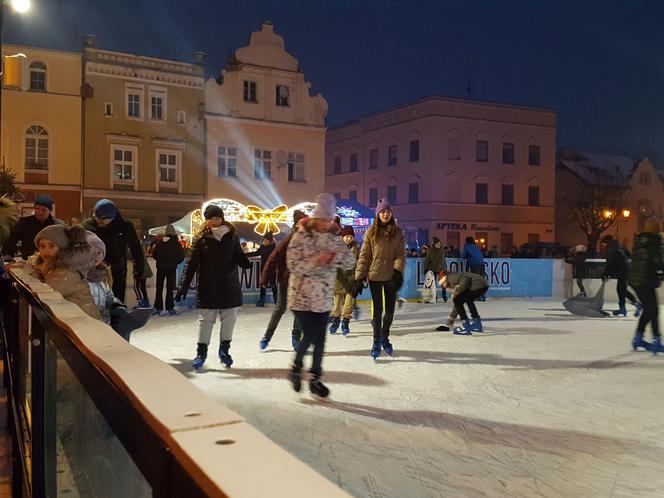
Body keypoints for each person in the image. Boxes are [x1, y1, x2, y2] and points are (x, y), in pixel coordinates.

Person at [286, 193, 355, 397]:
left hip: (324, 297)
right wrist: (316, 261)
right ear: (316, 217)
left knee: (321, 339)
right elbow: (292, 264)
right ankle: (296, 368)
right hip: (301, 297)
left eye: (329, 220)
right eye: (323, 219)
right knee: (310, 336)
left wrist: (332, 257)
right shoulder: (301, 235)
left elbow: (350, 261)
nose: (326, 224)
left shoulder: (334, 237)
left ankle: (315, 378)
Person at [175, 204, 252, 370]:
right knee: (206, 321)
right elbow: (191, 264)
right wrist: (183, 287)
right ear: (207, 220)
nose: (216, 220)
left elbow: (238, 255)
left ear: (222, 218)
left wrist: (245, 261)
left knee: (229, 319)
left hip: (229, 285)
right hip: (208, 286)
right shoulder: (201, 239)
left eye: (218, 217)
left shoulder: (232, 236)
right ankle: (201, 353)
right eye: (212, 218)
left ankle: (224, 351)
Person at [355, 199, 406, 359]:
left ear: (391, 214)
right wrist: (358, 277)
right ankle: (376, 341)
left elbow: (400, 254)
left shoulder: (397, 232)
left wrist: (398, 271)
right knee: (377, 311)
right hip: (375, 275)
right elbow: (364, 256)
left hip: (391, 275)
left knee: (389, 312)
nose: (385, 214)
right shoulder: (371, 232)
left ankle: (385, 336)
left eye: (388, 212)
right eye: (382, 212)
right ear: (378, 214)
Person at [85, 231, 151, 340]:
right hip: (87, 326)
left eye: (99, 252)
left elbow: (108, 295)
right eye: (92, 252)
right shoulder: (80, 276)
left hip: (103, 324)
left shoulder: (103, 275)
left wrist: (116, 305)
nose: (96, 256)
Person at [258, 210, 307, 351]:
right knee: (280, 308)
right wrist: (265, 277)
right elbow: (273, 258)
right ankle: (267, 336)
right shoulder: (289, 239)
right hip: (286, 281)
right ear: (297, 224)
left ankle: (296, 335)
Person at [28, 224, 100, 319]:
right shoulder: (51, 268)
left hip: (82, 323)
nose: (46, 250)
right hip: (73, 320)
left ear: (62, 249)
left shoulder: (66, 272)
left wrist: (31, 273)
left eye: (51, 246)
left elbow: (45, 295)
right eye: (42, 246)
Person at [83, 199, 144, 303]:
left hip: (118, 271)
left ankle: (117, 317)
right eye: (96, 217)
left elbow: (135, 247)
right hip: (95, 271)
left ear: (113, 217)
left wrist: (139, 267)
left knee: (117, 301)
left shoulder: (125, 226)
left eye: (103, 219)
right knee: (97, 301)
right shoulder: (89, 226)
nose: (99, 221)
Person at [628, 220, 664, 353]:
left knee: (650, 309)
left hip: (635, 280)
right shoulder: (654, 241)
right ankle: (656, 340)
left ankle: (638, 338)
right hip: (645, 279)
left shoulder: (640, 241)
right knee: (652, 309)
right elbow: (657, 261)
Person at [2, 194, 63, 260]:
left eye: (43, 210)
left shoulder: (56, 225)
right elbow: (12, 239)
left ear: (50, 210)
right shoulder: (24, 222)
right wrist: (8, 255)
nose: (39, 212)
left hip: (51, 261)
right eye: (37, 208)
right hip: (29, 261)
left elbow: (63, 244)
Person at [329, 225, 360, 336]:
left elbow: (360, 263)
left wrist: (360, 278)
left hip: (351, 281)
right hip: (339, 281)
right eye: (346, 236)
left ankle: (345, 323)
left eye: (350, 236)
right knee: (336, 306)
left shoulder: (356, 248)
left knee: (348, 305)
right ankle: (336, 322)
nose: (348, 238)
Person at [601, 234, 641, 317]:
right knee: (621, 289)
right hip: (626, 270)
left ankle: (635, 305)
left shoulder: (611, 249)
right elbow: (628, 256)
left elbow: (610, 263)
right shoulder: (620, 247)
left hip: (623, 271)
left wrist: (606, 274)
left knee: (621, 289)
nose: (603, 245)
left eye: (604, 243)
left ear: (607, 242)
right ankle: (623, 308)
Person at [438, 270, 489, 335]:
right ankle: (477, 324)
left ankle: (466, 326)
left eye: (442, 284)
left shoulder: (451, 277)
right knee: (466, 299)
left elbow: (466, 279)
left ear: (444, 280)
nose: (443, 287)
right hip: (483, 285)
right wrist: (452, 317)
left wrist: (457, 291)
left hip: (477, 284)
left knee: (458, 300)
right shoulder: (452, 279)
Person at [152, 224, 184, 316]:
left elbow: (155, 255)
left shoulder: (160, 243)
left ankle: (158, 307)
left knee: (159, 288)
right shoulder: (176, 244)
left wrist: (161, 260)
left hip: (161, 267)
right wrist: (174, 262)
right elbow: (181, 256)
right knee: (170, 288)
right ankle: (170, 307)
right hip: (171, 268)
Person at [246, 232, 277, 307]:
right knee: (266, 284)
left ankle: (273, 301)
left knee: (270, 284)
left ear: (270, 241)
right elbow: (256, 253)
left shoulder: (272, 248)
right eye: (264, 240)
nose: (264, 242)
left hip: (270, 269)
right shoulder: (267, 247)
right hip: (266, 268)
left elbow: (256, 253)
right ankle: (265, 301)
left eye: (266, 241)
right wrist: (245, 255)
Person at [423, 236, 447, 302]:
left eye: (439, 243)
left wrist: (438, 270)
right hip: (433, 269)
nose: (439, 245)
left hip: (441, 268)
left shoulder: (442, 250)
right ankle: (434, 296)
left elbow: (441, 261)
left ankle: (444, 296)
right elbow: (427, 260)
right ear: (434, 244)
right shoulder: (430, 250)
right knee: (433, 284)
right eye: (437, 244)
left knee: (443, 283)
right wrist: (426, 269)